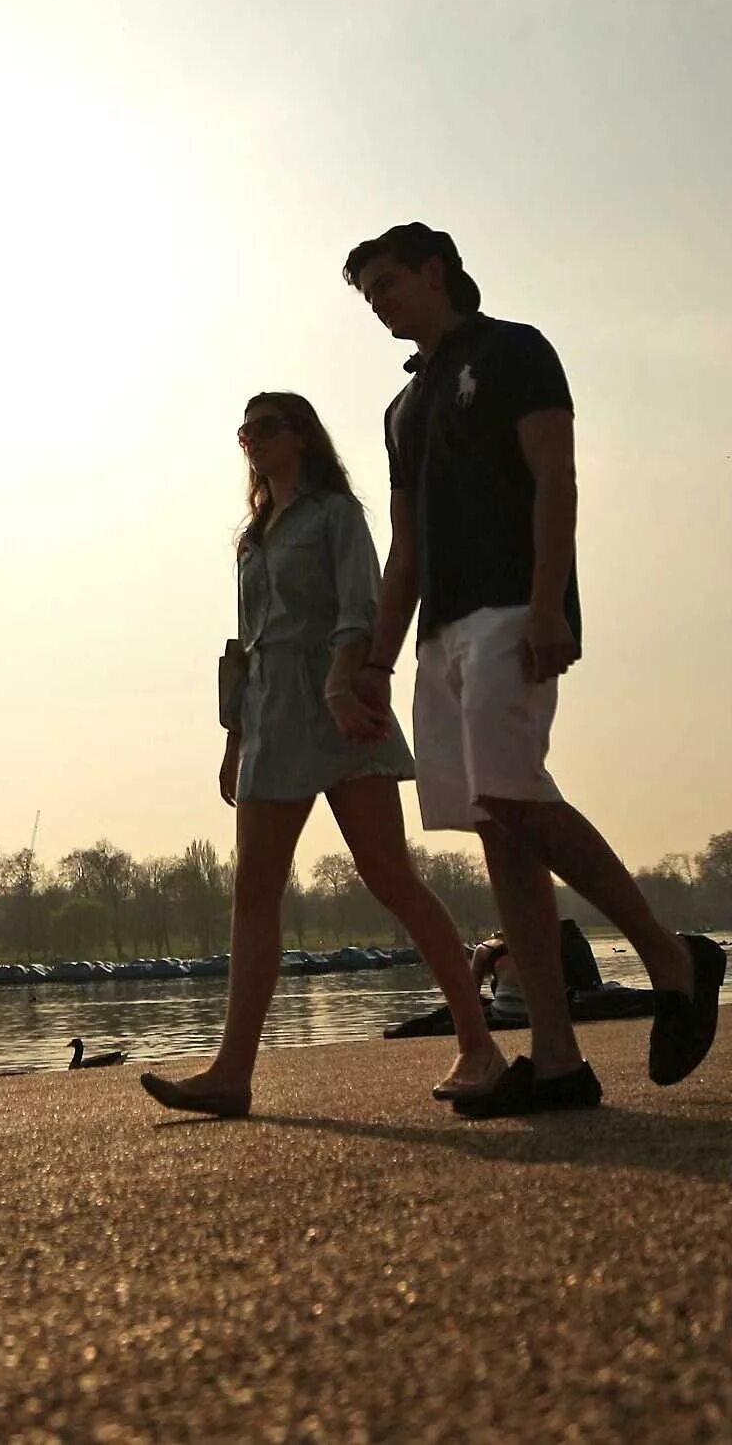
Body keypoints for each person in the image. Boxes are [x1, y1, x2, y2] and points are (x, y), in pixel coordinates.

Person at [339, 222, 725, 1117]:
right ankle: (557, 1061)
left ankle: (673, 959)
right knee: (495, 830)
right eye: (367, 296)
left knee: (514, 792)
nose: (379, 304)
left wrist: (552, 603)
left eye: (388, 284)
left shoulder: (514, 350)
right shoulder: (403, 407)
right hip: (441, 630)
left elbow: (557, 478)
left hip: (516, 607)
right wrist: (378, 661)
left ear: (438, 272)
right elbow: (408, 545)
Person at [139, 393, 509, 1118]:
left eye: (266, 425)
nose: (250, 438)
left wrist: (348, 679)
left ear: (301, 436)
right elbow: (243, 646)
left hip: (338, 703)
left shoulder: (338, 515)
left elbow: (359, 607)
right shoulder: (252, 538)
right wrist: (233, 737)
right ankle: (230, 1073)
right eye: (243, 428)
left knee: (388, 875)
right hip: (270, 716)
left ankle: (479, 1042)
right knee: (254, 891)